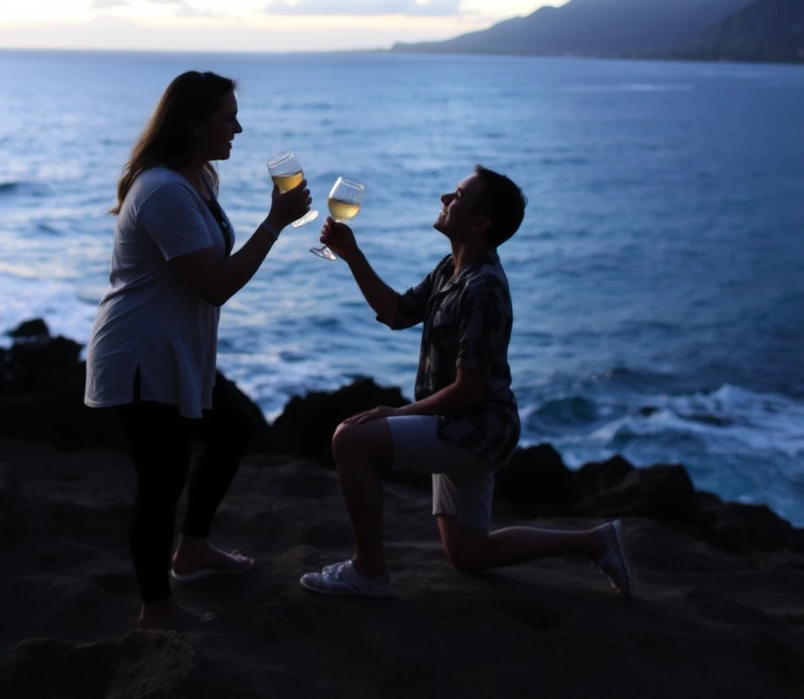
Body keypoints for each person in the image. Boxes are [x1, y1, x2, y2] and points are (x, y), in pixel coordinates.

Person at [300, 165, 633, 600]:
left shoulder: (484, 288)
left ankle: (368, 571)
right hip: (461, 423)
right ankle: (595, 542)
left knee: (350, 439)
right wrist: (351, 254)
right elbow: (397, 313)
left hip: (475, 429)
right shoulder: (451, 269)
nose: (444, 199)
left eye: (456, 196)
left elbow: (469, 390)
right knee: (469, 554)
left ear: (479, 224)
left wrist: (396, 413)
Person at [85, 71, 311, 631]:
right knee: (160, 482)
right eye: (227, 116)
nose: (238, 126)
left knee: (232, 429)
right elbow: (214, 284)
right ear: (194, 122)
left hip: (178, 352)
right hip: (142, 355)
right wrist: (275, 223)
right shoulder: (163, 190)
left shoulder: (199, 177)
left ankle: (193, 550)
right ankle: (156, 609)